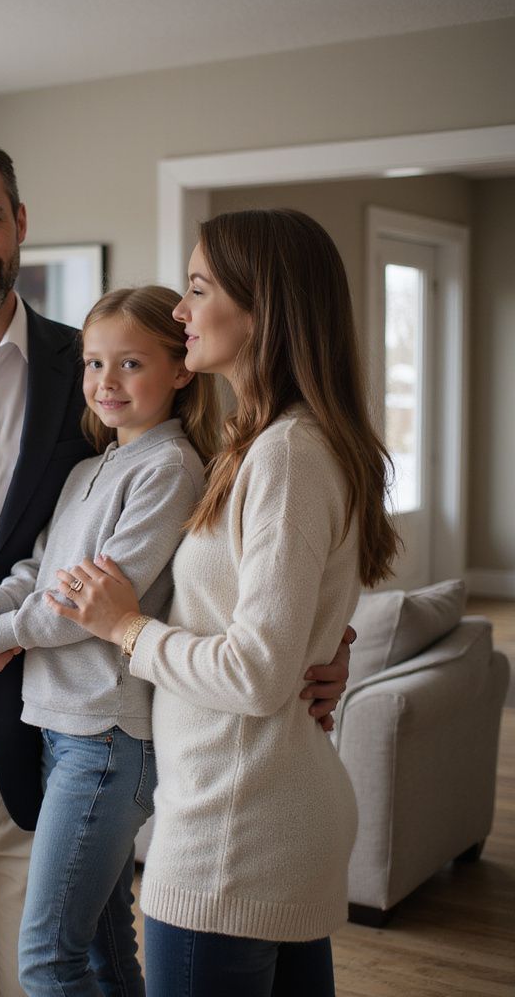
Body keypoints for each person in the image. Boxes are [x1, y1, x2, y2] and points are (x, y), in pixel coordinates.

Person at [0, 127, 352, 997]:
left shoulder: (99, 363)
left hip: (65, 745)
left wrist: (328, 633)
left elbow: (230, 544)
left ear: (19, 222)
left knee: (59, 971)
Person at [49, 208, 400, 997]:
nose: (180, 308)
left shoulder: (285, 454)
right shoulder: (267, 440)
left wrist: (126, 626)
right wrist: (323, 644)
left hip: (231, 833)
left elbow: (256, 673)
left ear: (262, 310)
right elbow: (282, 619)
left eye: (200, 287)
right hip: (263, 812)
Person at [0, 285, 219, 996]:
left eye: (130, 364)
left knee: (43, 959)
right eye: (95, 364)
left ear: (181, 369)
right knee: (100, 948)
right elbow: (40, 574)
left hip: (105, 740)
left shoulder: (169, 469)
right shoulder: (86, 470)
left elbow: (85, 610)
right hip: (61, 729)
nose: (106, 383)